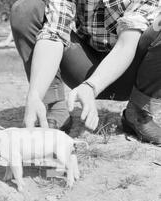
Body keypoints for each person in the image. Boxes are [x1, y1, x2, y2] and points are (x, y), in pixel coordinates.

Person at [10, 0, 161, 146]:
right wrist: (35, 94)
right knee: (26, 9)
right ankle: (53, 107)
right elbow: (54, 33)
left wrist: (91, 86)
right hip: (83, 67)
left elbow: (125, 46)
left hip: (131, 74)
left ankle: (138, 112)